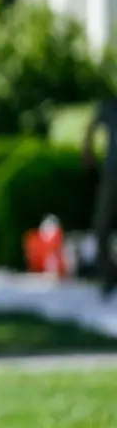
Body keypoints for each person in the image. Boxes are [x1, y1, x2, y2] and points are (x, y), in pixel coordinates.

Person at [82, 97, 117, 297]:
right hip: (111, 174)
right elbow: (91, 126)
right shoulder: (110, 106)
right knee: (102, 225)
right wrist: (87, 151)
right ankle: (108, 276)